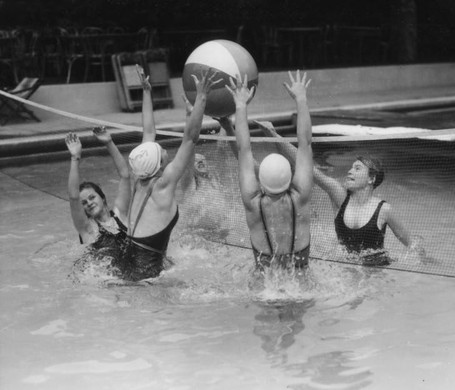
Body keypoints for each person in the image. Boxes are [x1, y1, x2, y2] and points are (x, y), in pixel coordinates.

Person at [254, 121, 423, 266]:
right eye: (351, 167)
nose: (350, 171)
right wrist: (273, 134)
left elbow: (411, 245)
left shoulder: (384, 210)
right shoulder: (340, 197)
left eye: (357, 169)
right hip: (346, 269)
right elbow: (306, 167)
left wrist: (427, 261)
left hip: (378, 272)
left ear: (371, 179)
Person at [122, 65, 221, 281]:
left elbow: (148, 132)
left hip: (127, 261)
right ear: (158, 166)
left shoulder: (139, 179)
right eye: (161, 152)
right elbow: (190, 138)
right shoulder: (162, 185)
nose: (165, 150)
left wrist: (146, 92)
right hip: (145, 273)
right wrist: (202, 97)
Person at [226, 70, 313, 272]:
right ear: (290, 177)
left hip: (264, 292)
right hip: (301, 289)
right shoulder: (300, 198)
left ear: (260, 179)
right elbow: (305, 143)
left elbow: (243, 149)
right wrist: (301, 99)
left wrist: (240, 105)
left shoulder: (252, 203)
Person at [64, 126, 130, 263]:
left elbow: (125, 176)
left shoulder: (120, 216)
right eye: (84, 203)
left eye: (92, 197)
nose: (89, 203)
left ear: (103, 198)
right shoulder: (87, 229)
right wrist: (75, 158)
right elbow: (73, 196)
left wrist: (109, 143)